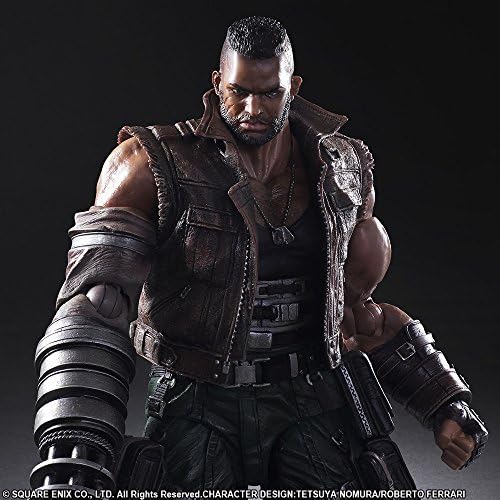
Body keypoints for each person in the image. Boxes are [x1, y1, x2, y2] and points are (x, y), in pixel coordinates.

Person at [31, 16, 487, 492]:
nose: (252, 108)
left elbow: (359, 316)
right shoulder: (151, 166)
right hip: (198, 399)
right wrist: (73, 447)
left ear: (293, 87)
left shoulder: (343, 170)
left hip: (308, 397)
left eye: (270, 94)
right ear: (217, 83)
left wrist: (444, 403)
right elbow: (97, 304)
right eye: (238, 91)